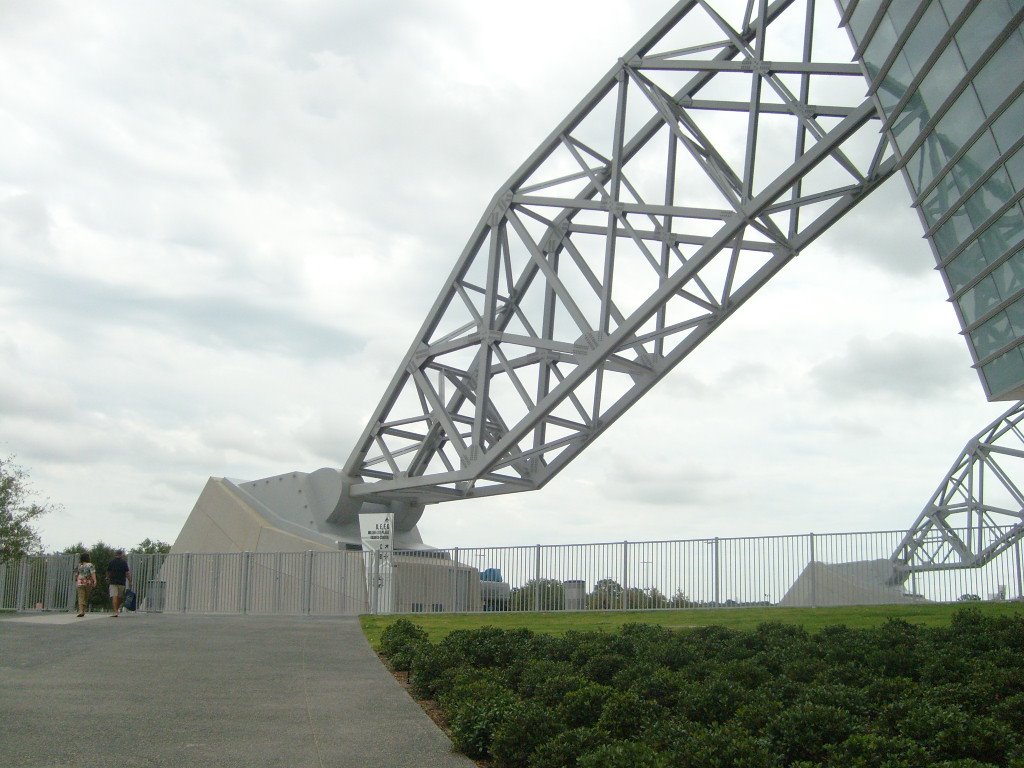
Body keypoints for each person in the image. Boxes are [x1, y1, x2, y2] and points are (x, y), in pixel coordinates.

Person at [106, 549, 132, 617]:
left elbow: (108, 571)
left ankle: (115, 611)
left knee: (114, 596)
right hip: (121, 582)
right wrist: (130, 581)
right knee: (119, 597)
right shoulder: (124, 562)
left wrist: (107, 577)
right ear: (121, 554)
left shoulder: (111, 562)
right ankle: (116, 609)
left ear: (115, 554)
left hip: (113, 582)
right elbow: (127, 573)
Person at [75, 552, 96, 617]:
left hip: (80, 581)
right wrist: (95, 580)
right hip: (88, 581)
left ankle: (81, 611)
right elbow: (92, 573)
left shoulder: (79, 565)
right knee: (86, 597)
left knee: (81, 596)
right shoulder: (90, 565)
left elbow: (76, 574)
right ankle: (83, 610)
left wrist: (76, 579)